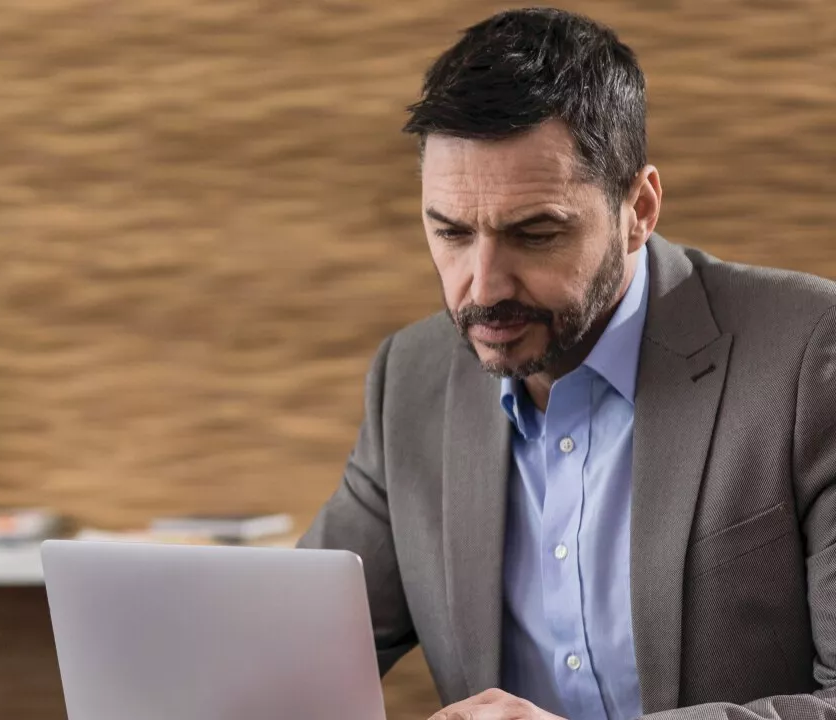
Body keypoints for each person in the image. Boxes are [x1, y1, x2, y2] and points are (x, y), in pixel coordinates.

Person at [299, 7, 836, 720]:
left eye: (536, 233)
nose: (482, 288)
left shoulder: (809, 356)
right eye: (451, 233)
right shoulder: (411, 380)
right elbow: (285, 648)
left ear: (638, 208)